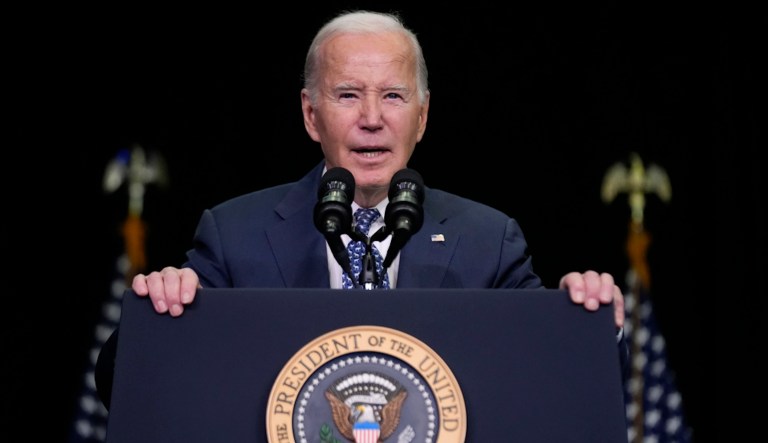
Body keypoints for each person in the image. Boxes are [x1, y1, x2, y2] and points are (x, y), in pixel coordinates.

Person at [103, 10, 625, 400]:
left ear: (421, 118)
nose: (372, 118)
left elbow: (560, 380)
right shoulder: (235, 233)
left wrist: (591, 321)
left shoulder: (488, 240)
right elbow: (123, 380)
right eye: (348, 95)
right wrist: (158, 314)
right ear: (311, 116)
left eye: (394, 96)